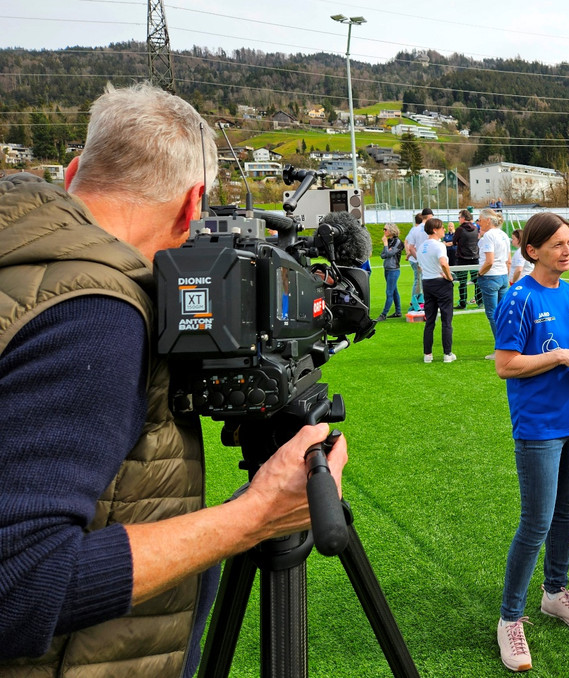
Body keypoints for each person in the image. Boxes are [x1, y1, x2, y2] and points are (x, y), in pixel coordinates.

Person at [0, 83, 345, 677]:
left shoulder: (24, 259)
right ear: (193, 207)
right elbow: (18, 582)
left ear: (74, 173)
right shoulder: (95, 312)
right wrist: (255, 516)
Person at [493, 213, 569, 672]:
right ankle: (509, 620)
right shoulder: (518, 298)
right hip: (539, 426)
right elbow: (506, 365)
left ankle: (555, 594)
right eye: (557, 244)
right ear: (532, 251)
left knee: (565, 513)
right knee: (535, 523)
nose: (567, 250)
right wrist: (559, 355)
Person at [418, 217, 456, 363]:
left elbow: (421, 266)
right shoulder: (439, 245)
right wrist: (449, 277)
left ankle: (427, 354)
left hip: (427, 282)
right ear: (435, 230)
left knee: (430, 320)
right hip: (441, 283)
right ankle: (447, 354)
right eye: (441, 228)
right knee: (446, 320)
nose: (444, 230)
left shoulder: (422, 246)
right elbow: (443, 263)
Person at [477, 207, 511, 358]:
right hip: (502, 274)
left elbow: (489, 261)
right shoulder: (503, 234)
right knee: (503, 313)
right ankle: (509, 346)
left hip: (491, 276)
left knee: (492, 313)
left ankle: (501, 350)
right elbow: (508, 260)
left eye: (480, 220)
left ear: (488, 220)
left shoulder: (489, 236)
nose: (478, 222)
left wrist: (480, 273)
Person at [453, 208, 481, 309]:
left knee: (462, 283)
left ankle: (463, 303)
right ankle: (479, 301)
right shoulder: (476, 228)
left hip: (462, 259)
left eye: (459, 217)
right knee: (477, 281)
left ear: (463, 218)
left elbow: (454, 241)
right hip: (474, 258)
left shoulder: (460, 229)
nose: (458, 219)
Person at [376, 222, 403, 321]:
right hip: (387, 269)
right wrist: (387, 247)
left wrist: (385, 244)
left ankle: (383, 314)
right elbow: (383, 255)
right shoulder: (389, 241)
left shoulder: (398, 242)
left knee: (389, 292)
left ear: (391, 230)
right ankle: (398, 311)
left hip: (393, 270)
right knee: (394, 291)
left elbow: (388, 253)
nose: (384, 231)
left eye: (385, 229)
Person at [404, 213, 427, 312]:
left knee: (420, 279)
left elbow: (407, 242)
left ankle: (418, 299)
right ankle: (414, 300)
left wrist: (408, 254)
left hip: (415, 258)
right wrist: (410, 254)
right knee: (418, 280)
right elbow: (408, 243)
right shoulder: (416, 230)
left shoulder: (414, 230)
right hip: (416, 259)